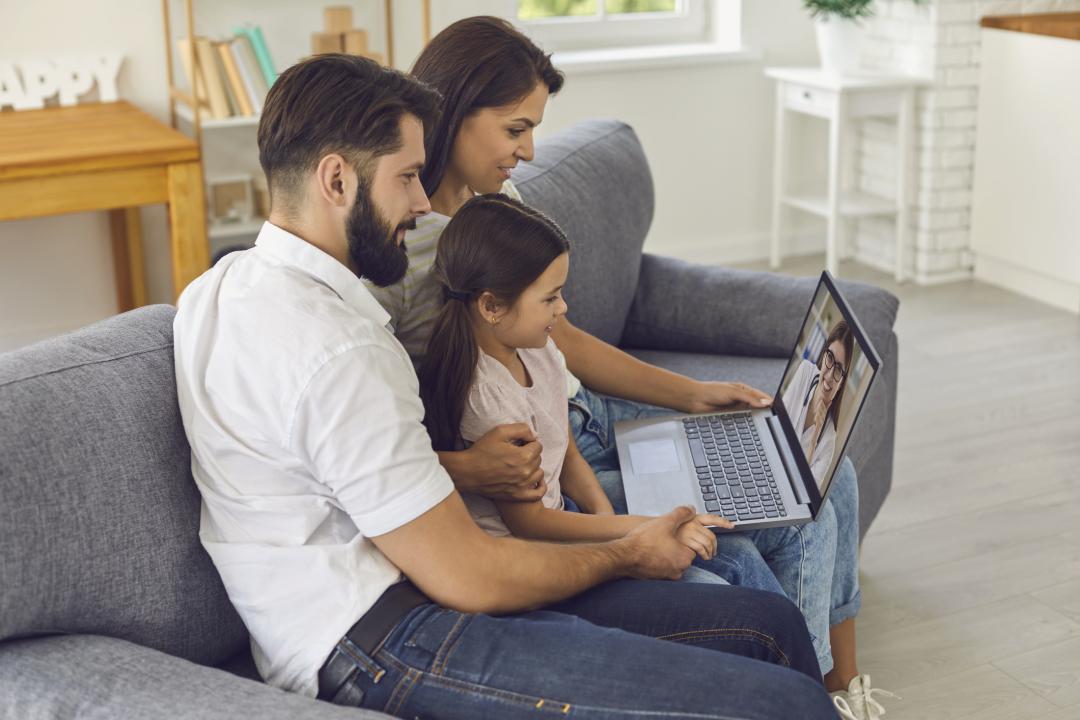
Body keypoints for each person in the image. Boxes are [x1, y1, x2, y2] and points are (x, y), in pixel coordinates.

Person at [171, 53, 837, 719]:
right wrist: (628, 551)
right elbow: (473, 574)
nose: (422, 201)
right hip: (381, 640)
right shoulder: (338, 351)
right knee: (782, 702)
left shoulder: (218, 290)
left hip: (414, 590)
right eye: (406, 176)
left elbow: (331, 464)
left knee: (767, 628)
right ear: (337, 179)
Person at [365, 15, 895, 720]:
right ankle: (802, 691)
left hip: (578, 419)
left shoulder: (498, 201)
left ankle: (837, 691)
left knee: (823, 467)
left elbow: (564, 341)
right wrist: (476, 472)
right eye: (515, 128)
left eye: (532, 130)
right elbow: (381, 426)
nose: (527, 150)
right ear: (457, 111)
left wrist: (694, 394)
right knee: (783, 516)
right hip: (533, 450)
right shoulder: (397, 249)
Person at [418, 193, 729, 563]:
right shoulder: (486, 397)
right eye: (550, 298)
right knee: (712, 556)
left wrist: (605, 516)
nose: (563, 308)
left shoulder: (538, 346)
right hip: (535, 553)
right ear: (491, 306)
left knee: (726, 541)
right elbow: (530, 523)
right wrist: (634, 533)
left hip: (563, 512)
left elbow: (565, 450)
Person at [782, 320, 854, 484]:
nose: (829, 376)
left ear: (842, 381)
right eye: (830, 358)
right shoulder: (805, 372)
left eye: (838, 369)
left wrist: (814, 440)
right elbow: (777, 425)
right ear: (824, 355)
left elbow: (806, 493)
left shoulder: (829, 440)